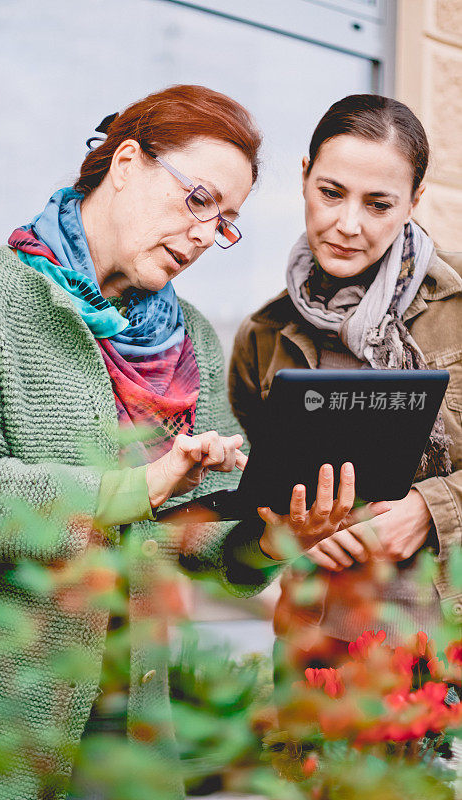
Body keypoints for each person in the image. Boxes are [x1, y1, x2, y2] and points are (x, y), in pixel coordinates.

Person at [0, 85, 364, 800]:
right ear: (126, 162)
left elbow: (196, 524)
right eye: (198, 199)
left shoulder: (187, 333)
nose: (202, 235)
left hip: (132, 717)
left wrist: (269, 534)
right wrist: (133, 489)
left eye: (224, 222)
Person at [230, 94, 462, 656]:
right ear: (305, 177)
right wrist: (287, 538)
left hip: (444, 647)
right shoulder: (264, 336)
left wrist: (430, 511)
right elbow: (239, 521)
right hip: (318, 651)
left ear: (414, 201)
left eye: (378, 204)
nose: (347, 224)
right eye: (331, 193)